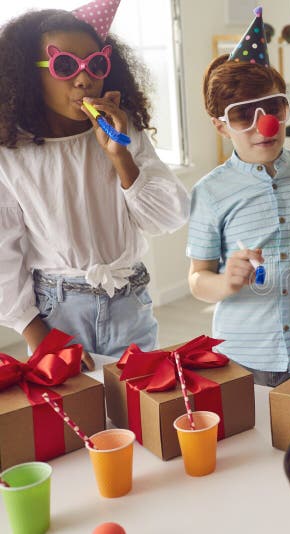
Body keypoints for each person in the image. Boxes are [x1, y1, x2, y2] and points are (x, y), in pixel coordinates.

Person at [0, 3, 189, 370]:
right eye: (65, 66)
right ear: (29, 75)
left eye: (96, 65)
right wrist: (34, 332)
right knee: (73, 418)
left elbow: (168, 216)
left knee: (138, 414)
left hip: (129, 299)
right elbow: (2, 252)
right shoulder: (11, 153)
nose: (84, 79)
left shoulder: (121, 129)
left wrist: (121, 155)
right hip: (57, 312)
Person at [186, 8, 290, 387]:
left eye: (272, 107)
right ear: (221, 126)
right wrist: (225, 282)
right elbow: (197, 277)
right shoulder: (209, 192)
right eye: (243, 115)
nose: (264, 125)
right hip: (243, 353)